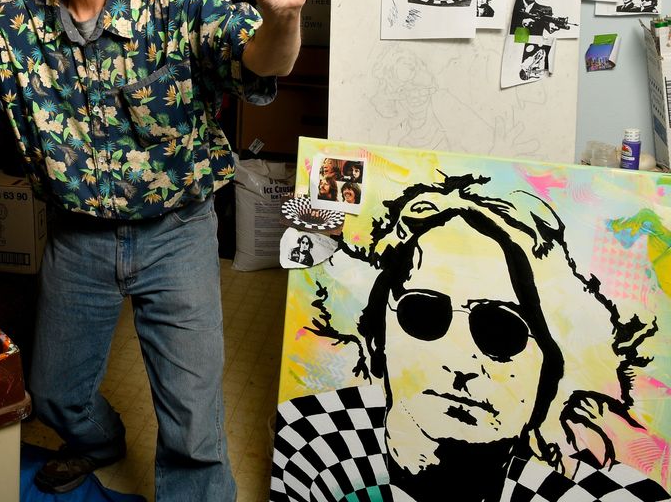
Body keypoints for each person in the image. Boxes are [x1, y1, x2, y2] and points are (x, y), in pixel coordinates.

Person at [0, 0, 336, 498]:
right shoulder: (13, 23)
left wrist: (282, 13)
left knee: (193, 428)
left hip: (178, 235)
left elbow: (260, 63)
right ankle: (101, 442)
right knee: (52, 393)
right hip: (77, 241)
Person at [273, 174, 668, 501]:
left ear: (551, 372)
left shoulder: (601, 493)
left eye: (501, 330)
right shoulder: (311, 438)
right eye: (423, 314)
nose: (460, 364)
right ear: (378, 342)